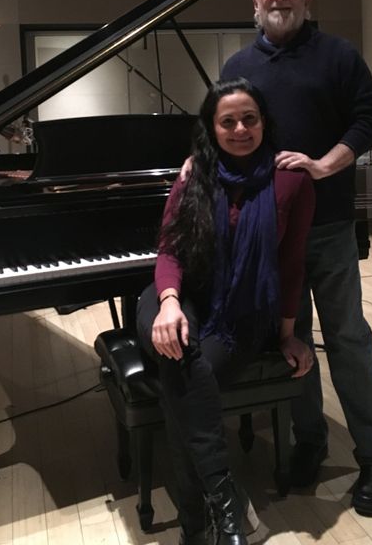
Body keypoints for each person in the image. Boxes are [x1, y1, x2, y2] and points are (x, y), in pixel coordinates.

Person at [219, 0, 372, 517]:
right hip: (269, 230)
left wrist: (323, 165)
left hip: (329, 224)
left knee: (347, 339)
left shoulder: (339, 55)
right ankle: (309, 441)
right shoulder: (239, 65)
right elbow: (227, 133)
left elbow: (369, 120)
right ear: (255, 2)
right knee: (289, 341)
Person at [136, 78, 315, 545]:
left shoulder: (291, 181)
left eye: (249, 119)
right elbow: (170, 250)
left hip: (242, 314)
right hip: (175, 295)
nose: (240, 129)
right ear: (212, 128)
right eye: (227, 121)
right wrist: (169, 303)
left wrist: (287, 335)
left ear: (263, 123)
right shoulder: (195, 174)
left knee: (182, 373)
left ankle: (197, 523)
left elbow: (291, 264)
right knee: (175, 345)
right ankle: (226, 500)